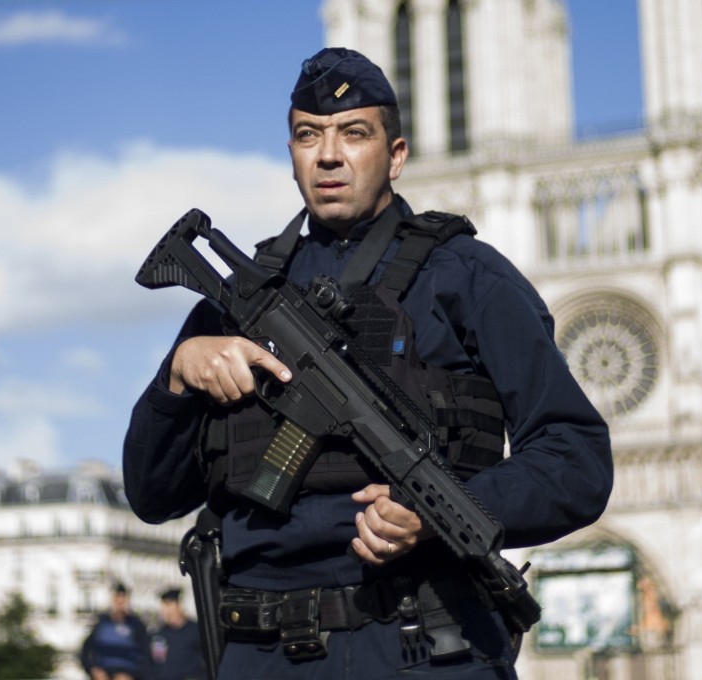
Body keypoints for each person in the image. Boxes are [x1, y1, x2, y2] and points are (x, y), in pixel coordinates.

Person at [123, 47, 613, 679]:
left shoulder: (467, 277)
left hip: (423, 644)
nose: (329, 155)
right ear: (293, 155)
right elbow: (151, 494)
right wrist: (178, 376)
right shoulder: (240, 301)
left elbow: (576, 458)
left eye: (354, 133)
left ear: (397, 155)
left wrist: (446, 510)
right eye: (308, 135)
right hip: (261, 654)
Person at [80, 583, 151, 680]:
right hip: (103, 673)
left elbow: (145, 655)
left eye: (122, 601)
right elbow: (85, 650)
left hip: (127, 673)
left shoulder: (136, 626)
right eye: (117, 600)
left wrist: (133, 675)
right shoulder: (101, 624)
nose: (120, 604)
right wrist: (93, 669)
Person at [149, 588, 206, 680]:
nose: (168, 611)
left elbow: (208, 661)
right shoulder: (160, 635)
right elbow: (157, 663)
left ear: (179, 606)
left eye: (170, 605)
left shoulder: (196, 630)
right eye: (165, 606)